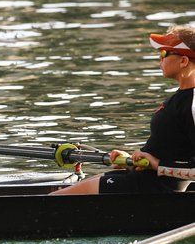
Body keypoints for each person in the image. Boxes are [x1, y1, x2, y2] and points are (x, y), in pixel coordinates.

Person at [52, 25, 195, 195]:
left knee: (52, 199)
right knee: (59, 194)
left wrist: (156, 164)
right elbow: (171, 148)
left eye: (164, 53)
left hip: (156, 190)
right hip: (144, 180)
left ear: (184, 61)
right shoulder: (181, 97)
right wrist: (131, 159)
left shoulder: (193, 102)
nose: (159, 59)